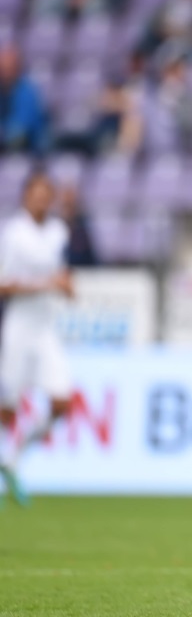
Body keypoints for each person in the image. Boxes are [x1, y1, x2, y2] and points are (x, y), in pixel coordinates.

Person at [0, 171, 75, 507]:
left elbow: (58, 272)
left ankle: (12, 460)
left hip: (47, 328)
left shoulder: (59, 232)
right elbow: (3, 286)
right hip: (19, 326)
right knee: (7, 406)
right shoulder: (12, 234)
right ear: (25, 196)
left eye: (48, 193)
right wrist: (47, 285)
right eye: (36, 193)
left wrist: (65, 286)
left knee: (62, 403)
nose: (42, 199)